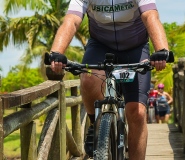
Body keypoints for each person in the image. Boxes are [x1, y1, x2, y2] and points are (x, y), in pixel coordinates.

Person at [48, 0, 170, 159]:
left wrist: (161, 49)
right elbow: (72, 21)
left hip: (135, 48)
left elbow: (150, 16)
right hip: (100, 46)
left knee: (137, 113)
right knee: (87, 78)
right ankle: (95, 125)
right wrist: (56, 52)